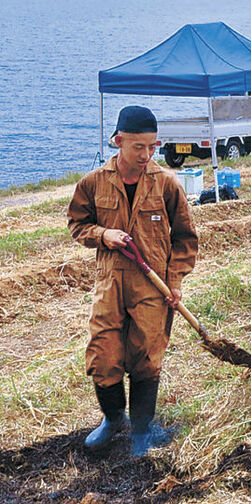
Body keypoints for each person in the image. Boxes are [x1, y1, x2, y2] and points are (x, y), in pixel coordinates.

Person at [67, 105, 198, 457]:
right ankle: (113, 420)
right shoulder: (93, 183)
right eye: (138, 147)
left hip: (152, 287)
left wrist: (175, 280)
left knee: (146, 356)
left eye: (152, 147)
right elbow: (77, 224)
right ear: (118, 141)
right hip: (110, 284)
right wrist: (102, 234)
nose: (146, 155)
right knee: (103, 355)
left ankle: (142, 431)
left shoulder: (166, 183)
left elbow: (186, 238)